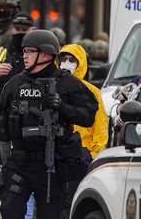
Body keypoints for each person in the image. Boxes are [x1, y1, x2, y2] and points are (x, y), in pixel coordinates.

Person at [0, 29, 98, 219]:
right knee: (9, 211)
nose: (25, 56)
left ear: (45, 54)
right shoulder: (15, 83)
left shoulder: (67, 83)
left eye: (30, 51)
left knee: (50, 214)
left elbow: (88, 117)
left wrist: (62, 107)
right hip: (19, 163)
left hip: (52, 165)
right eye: (24, 51)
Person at [0, 12, 36, 201]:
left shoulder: (37, 51)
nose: (19, 33)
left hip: (31, 111)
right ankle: (1, 186)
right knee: (2, 150)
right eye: (17, 29)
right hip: (4, 110)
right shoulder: (2, 51)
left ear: (32, 30)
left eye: (24, 29)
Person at [58, 44, 108, 217]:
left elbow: (101, 126)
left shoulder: (91, 91)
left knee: (72, 201)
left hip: (81, 154)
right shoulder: (53, 86)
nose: (66, 63)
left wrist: (93, 154)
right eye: (63, 59)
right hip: (56, 153)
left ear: (81, 63)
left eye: (72, 60)